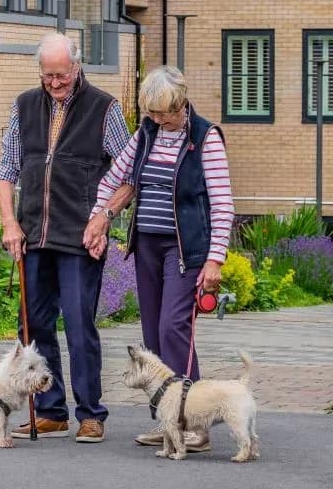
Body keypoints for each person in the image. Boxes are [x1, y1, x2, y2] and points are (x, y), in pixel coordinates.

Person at [83, 64, 234, 451]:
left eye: (163, 113)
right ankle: (168, 421)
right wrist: (98, 216)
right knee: (152, 334)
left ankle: (195, 426)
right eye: (151, 113)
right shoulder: (146, 133)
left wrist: (215, 258)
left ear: (180, 104)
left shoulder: (205, 138)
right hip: (147, 245)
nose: (157, 120)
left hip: (185, 251)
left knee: (173, 329)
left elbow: (221, 203)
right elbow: (115, 178)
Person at [0, 32, 134, 443]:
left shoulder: (104, 108)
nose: (54, 83)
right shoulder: (23, 105)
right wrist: (9, 222)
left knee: (78, 324)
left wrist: (103, 219)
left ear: (77, 66)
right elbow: (6, 170)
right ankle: (50, 409)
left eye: (61, 75)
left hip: (81, 236)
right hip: (33, 232)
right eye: (47, 74)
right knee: (33, 326)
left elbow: (128, 174)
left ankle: (91, 413)